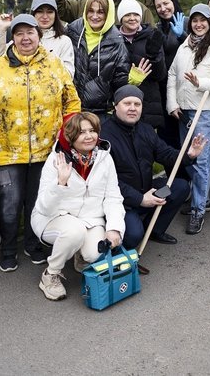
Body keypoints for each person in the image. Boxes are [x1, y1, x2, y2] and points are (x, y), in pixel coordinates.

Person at [0, 14, 82, 272]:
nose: (25, 38)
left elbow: (72, 101)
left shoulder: (54, 64)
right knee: (10, 203)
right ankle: (8, 250)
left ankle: (33, 245)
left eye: (30, 32)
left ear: (38, 35)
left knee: (37, 202)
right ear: (13, 38)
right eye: (19, 33)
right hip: (5, 151)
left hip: (45, 149)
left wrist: (68, 135)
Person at [31, 112, 125, 301]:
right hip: (53, 218)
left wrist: (114, 228)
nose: (89, 136)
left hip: (90, 219)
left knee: (95, 253)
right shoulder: (56, 160)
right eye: (82, 132)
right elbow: (43, 208)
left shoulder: (104, 158)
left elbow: (113, 196)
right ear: (70, 136)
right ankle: (51, 275)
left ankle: (80, 255)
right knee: (74, 232)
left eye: (92, 131)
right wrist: (60, 183)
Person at [100, 85, 207, 251]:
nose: (132, 108)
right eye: (127, 103)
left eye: (137, 104)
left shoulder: (146, 129)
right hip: (123, 202)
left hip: (149, 191)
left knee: (179, 187)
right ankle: (132, 229)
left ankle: (154, 229)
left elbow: (166, 154)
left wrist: (189, 154)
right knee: (133, 236)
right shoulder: (104, 136)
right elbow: (107, 183)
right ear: (115, 106)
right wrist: (140, 199)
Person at [166, 3, 210, 235]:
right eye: (194, 20)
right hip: (183, 111)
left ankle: (198, 210)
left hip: (206, 111)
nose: (198, 24)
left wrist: (199, 83)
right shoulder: (184, 46)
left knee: (202, 161)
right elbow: (172, 74)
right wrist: (172, 103)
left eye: (203, 20)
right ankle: (202, 198)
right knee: (189, 158)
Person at [65, 0, 131, 115]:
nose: (94, 16)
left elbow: (120, 82)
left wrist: (132, 80)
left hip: (100, 113)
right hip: (69, 109)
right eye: (91, 11)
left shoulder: (117, 43)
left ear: (108, 14)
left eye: (100, 12)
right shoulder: (71, 32)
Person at [0, 0, 75, 77]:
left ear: (55, 15)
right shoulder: (22, 38)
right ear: (33, 14)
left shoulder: (64, 41)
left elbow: (68, 75)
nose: (45, 16)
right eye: (40, 11)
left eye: (49, 12)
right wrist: (1, 29)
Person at [115, 0, 167, 130]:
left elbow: (160, 75)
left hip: (148, 105)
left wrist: (154, 57)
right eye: (127, 15)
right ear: (121, 18)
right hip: (122, 102)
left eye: (136, 14)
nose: (132, 18)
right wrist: (129, 79)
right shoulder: (113, 38)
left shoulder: (152, 36)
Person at [151, 0, 187, 150]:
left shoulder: (186, 22)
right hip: (163, 89)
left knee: (185, 135)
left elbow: (199, 48)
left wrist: (182, 35)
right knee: (168, 137)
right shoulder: (157, 28)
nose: (163, 8)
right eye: (158, 6)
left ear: (173, 2)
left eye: (166, 3)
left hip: (184, 86)